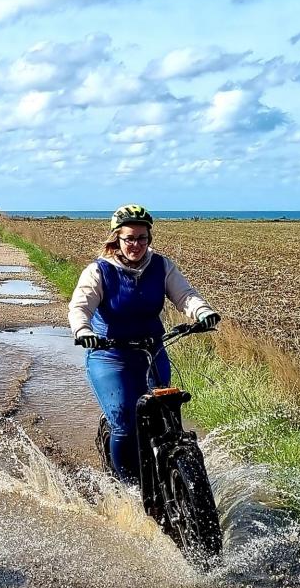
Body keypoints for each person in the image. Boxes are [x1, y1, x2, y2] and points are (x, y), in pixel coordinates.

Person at [68, 204, 220, 485]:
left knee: (167, 420)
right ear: (117, 238)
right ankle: (128, 489)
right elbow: (80, 306)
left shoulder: (161, 265)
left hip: (154, 350)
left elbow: (185, 295)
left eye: (142, 238)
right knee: (125, 423)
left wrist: (202, 312)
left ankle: (170, 476)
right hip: (110, 354)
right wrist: (83, 329)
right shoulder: (99, 271)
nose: (136, 244)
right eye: (129, 238)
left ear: (149, 239)